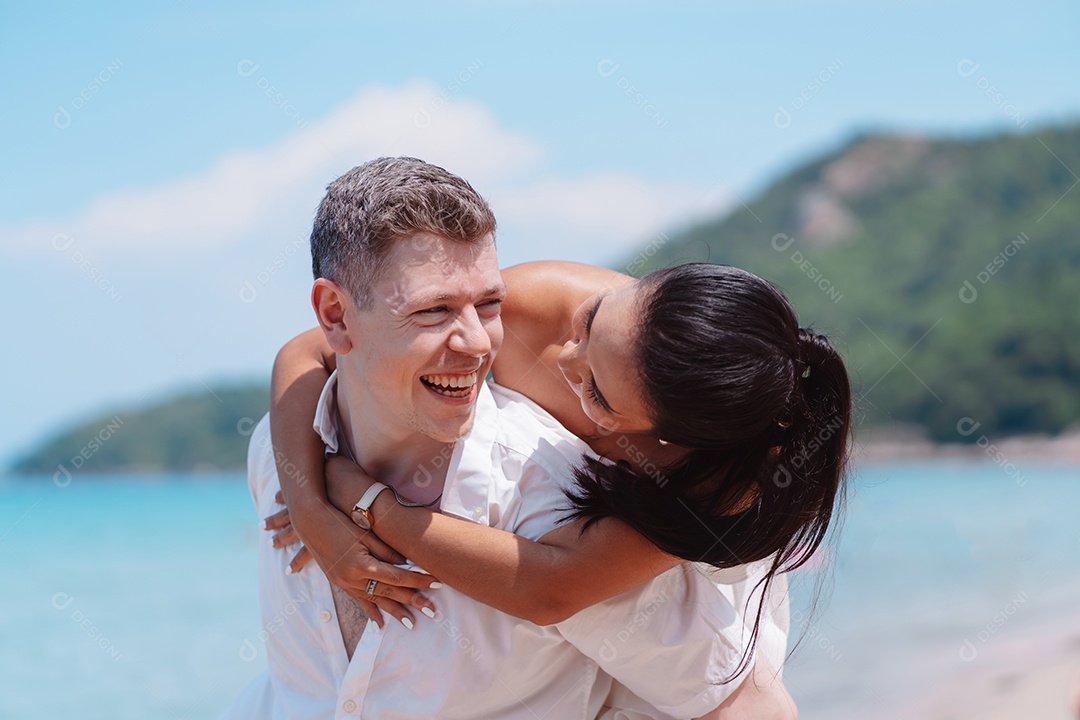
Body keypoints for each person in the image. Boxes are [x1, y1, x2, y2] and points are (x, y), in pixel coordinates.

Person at [223, 156, 799, 720]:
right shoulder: (284, 446)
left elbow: (551, 589)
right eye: (433, 310)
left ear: (657, 429)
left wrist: (368, 502)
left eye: (597, 392)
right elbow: (309, 348)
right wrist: (308, 504)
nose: (480, 345)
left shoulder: (570, 501)